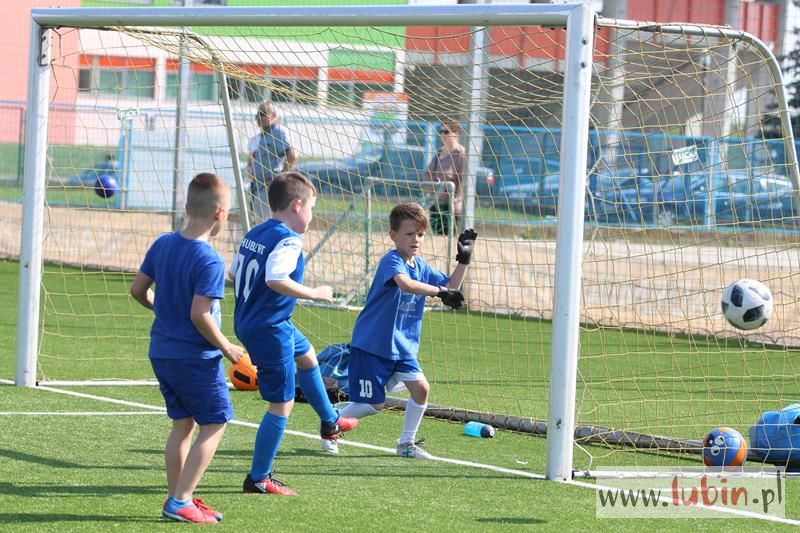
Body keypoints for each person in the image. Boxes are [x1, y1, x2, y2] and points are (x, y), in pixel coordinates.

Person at [231, 171, 358, 496]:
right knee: (281, 405)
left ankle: (330, 421)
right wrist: (315, 293)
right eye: (312, 208)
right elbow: (275, 278)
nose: (312, 216)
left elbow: (234, 272)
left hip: (257, 319)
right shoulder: (288, 239)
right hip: (269, 328)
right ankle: (259, 478)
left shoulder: (255, 232)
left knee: (308, 356)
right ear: (297, 206)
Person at [130, 172, 245, 524]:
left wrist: (163, 310)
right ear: (220, 214)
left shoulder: (163, 243)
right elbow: (199, 315)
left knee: (182, 425)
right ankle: (180, 500)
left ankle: (179, 497)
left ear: (187, 206)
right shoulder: (209, 260)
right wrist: (227, 347)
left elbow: (137, 290)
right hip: (194, 358)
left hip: (162, 352)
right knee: (216, 423)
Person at [338, 203, 477, 459]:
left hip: (403, 347)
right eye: (409, 233)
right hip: (373, 345)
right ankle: (332, 421)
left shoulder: (421, 265)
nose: (416, 239)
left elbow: (451, 286)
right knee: (374, 404)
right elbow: (406, 284)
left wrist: (463, 260)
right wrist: (439, 292)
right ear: (393, 235)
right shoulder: (391, 261)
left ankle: (405, 444)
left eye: (421, 234)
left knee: (421, 389)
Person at [246, 101, 297, 223]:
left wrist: (281, 177)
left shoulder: (279, 132)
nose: (259, 117)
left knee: (267, 223)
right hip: (257, 187)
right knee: (259, 223)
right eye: (258, 114)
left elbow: (292, 155)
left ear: (273, 115)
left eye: (263, 114)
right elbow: (251, 161)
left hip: (269, 186)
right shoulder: (262, 136)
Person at [426, 119, 466, 236]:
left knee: (451, 240)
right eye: (441, 131)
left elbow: (464, 181)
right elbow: (428, 174)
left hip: (451, 207)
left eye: (446, 132)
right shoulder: (439, 152)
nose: (442, 135)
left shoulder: (462, 154)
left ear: (456, 133)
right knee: (438, 238)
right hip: (435, 204)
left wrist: (458, 201)